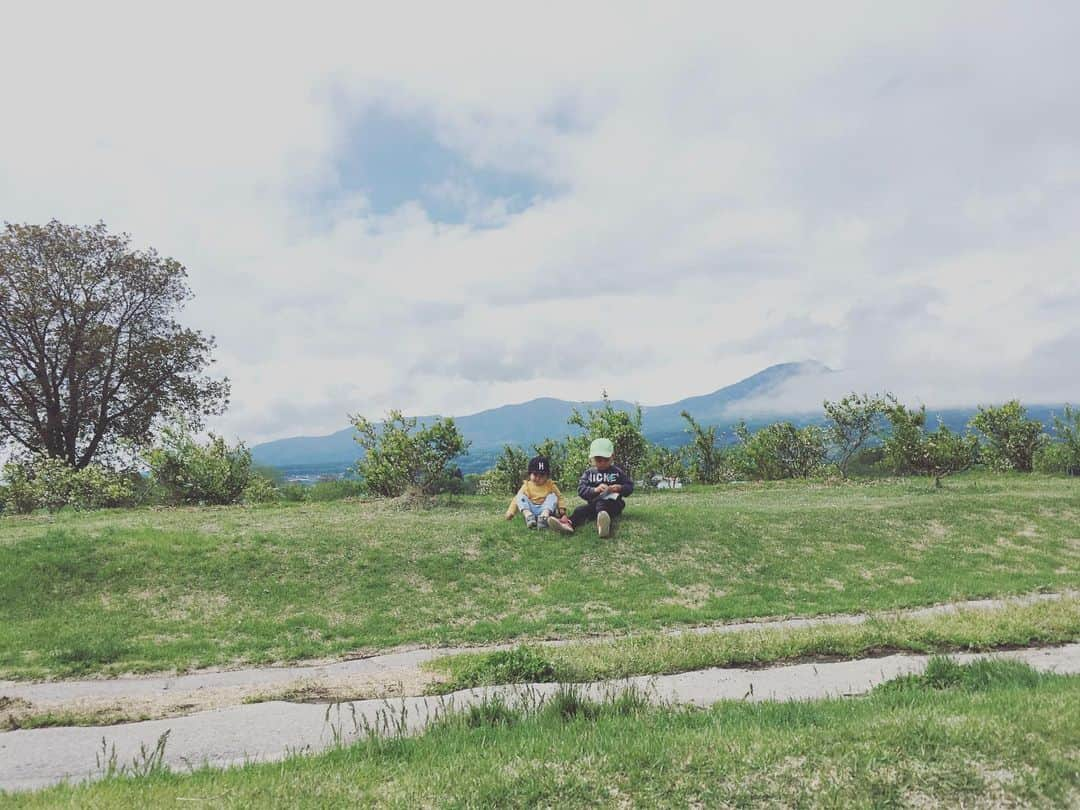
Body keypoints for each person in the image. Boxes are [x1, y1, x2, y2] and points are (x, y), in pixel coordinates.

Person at [570, 438, 634, 537]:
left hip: (614, 505)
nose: (603, 463)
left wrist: (619, 488)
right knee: (579, 510)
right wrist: (595, 490)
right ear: (592, 459)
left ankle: (604, 524)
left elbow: (629, 486)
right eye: (599, 460)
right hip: (593, 505)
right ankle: (569, 524)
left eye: (606, 460)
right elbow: (581, 489)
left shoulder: (617, 472)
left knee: (602, 502)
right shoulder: (589, 473)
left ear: (612, 457)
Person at [504, 455, 574, 533]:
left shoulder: (550, 485)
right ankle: (529, 516)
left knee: (553, 496)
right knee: (520, 496)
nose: (538, 478)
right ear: (530, 474)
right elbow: (516, 499)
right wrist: (511, 512)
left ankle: (543, 518)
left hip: (546, 509)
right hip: (531, 508)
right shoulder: (527, 485)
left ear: (547, 476)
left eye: (542, 475)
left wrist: (561, 508)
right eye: (535, 474)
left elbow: (559, 496)